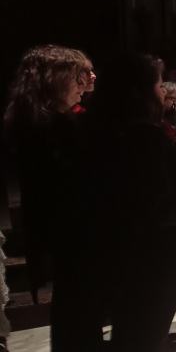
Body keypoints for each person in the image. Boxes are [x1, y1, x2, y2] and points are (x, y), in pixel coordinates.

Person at [82, 53, 176, 351]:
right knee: (143, 336)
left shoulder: (106, 132)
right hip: (149, 259)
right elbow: (156, 207)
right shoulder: (141, 139)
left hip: (131, 255)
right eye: (159, 83)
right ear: (137, 92)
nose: (164, 90)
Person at [3, 44, 101, 350]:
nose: (85, 83)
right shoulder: (50, 126)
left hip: (62, 234)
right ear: (54, 79)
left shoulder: (38, 119)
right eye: (79, 76)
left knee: (75, 315)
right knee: (78, 317)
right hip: (68, 236)